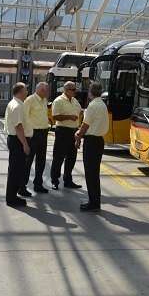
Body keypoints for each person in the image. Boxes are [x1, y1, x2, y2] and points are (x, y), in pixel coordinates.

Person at [75, 82, 109, 212]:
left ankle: (93, 203)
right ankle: (95, 201)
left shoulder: (93, 105)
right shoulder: (102, 104)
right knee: (94, 173)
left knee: (90, 173)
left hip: (91, 142)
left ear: (90, 92)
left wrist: (78, 137)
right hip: (99, 141)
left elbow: (85, 125)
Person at [50, 81, 82, 190]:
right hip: (62, 131)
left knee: (71, 158)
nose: (75, 91)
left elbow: (79, 112)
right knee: (58, 157)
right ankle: (55, 181)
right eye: (72, 89)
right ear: (65, 90)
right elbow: (55, 116)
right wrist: (69, 117)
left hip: (73, 131)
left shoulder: (75, 101)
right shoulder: (58, 101)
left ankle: (68, 180)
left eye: (75, 89)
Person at [4, 82, 32, 207]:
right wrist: (25, 144)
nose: (27, 92)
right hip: (18, 141)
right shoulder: (17, 106)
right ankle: (11, 198)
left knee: (16, 169)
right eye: (25, 90)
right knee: (15, 170)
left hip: (16, 140)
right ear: (20, 92)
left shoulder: (16, 103)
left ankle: (13, 196)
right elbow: (18, 127)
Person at [22, 82, 50, 195]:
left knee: (41, 160)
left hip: (43, 133)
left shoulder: (44, 100)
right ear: (41, 90)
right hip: (33, 134)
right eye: (47, 90)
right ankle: (22, 186)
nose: (48, 92)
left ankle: (38, 184)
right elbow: (24, 117)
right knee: (28, 161)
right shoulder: (30, 100)